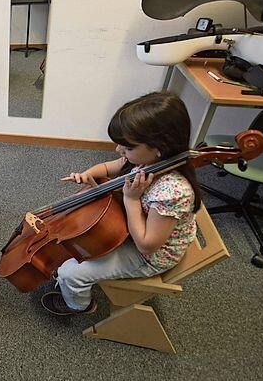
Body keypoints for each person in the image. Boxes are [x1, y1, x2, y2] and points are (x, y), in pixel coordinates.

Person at [41, 92, 201, 316]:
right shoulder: (145, 159)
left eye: (127, 148)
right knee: (78, 237)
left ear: (160, 147)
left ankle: (79, 305)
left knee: (70, 273)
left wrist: (131, 199)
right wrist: (89, 174)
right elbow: (108, 168)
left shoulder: (172, 192)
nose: (119, 151)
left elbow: (147, 245)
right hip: (130, 226)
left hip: (149, 255)